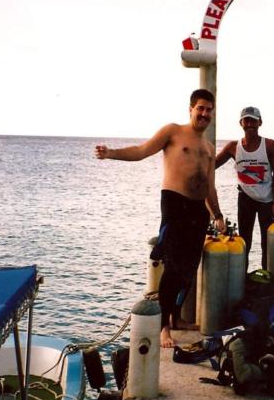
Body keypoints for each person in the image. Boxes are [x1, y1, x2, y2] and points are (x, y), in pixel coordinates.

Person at [95, 89, 225, 348]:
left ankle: (177, 320)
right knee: (173, 265)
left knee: (189, 268)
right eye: (200, 108)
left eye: (209, 109)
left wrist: (218, 215)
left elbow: (210, 186)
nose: (205, 114)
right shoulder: (173, 132)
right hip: (175, 204)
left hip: (199, 210)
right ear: (190, 109)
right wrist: (111, 153)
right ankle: (164, 327)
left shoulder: (209, 148)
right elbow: (142, 150)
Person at [215, 106, 274, 271]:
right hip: (245, 198)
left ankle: (267, 277)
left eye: (254, 120)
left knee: (268, 242)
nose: (250, 124)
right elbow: (212, 165)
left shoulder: (270, 145)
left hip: (267, 200)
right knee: (244, 240)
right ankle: (241, 278)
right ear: (241, 123)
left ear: (260, 122)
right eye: (247, 120)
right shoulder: (232, 147)